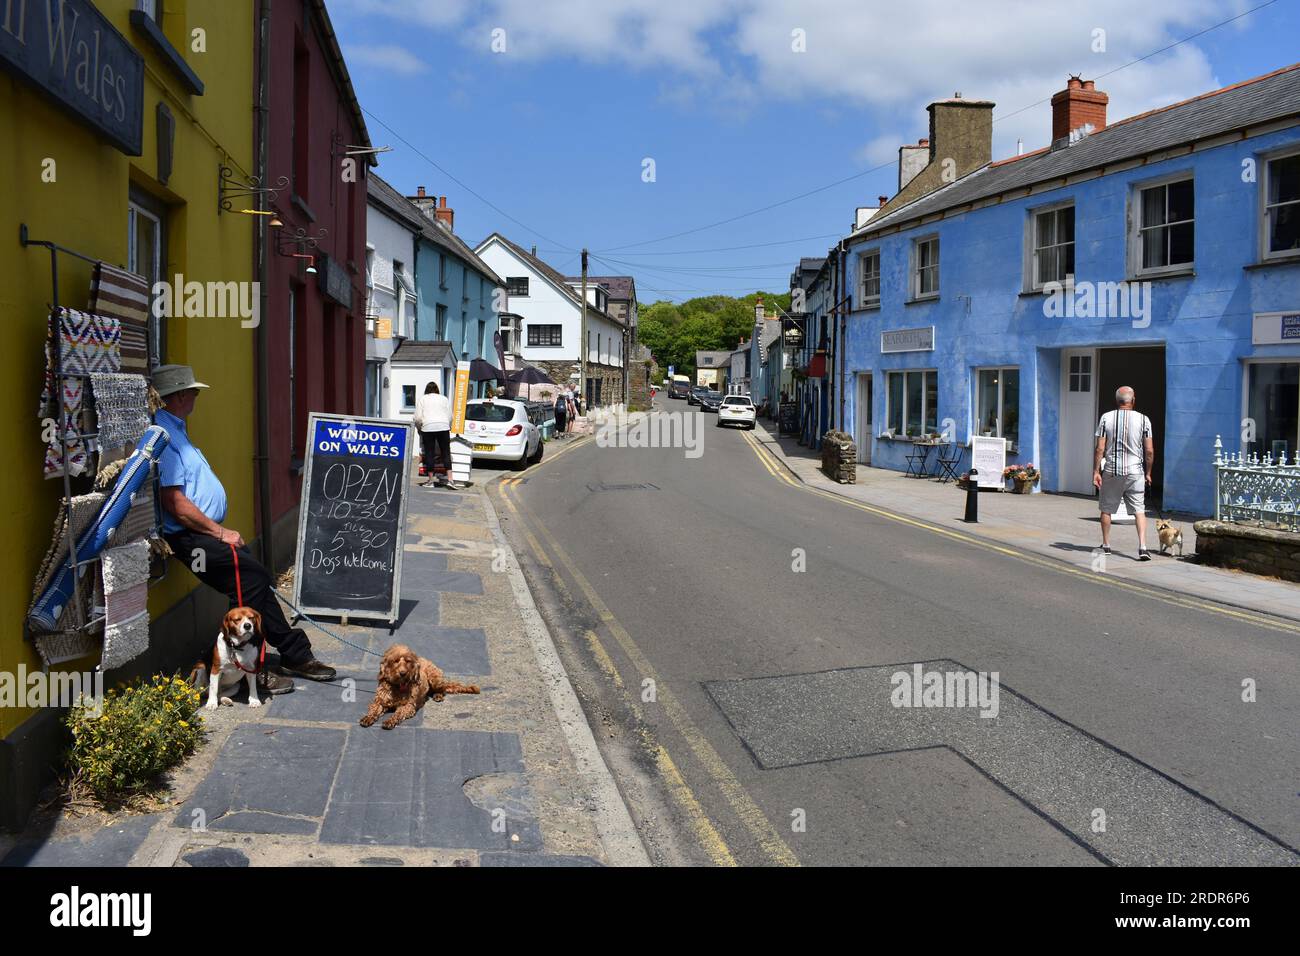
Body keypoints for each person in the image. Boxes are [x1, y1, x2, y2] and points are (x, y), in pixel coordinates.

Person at [152, 365, 336, 690]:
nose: (196, 396)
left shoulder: (175, 429)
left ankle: (289, 653)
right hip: (189, 538)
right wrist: (220, 533)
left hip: (200, 533)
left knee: (253, 584)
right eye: (193, 390)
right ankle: (250, 669)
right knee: (252, 581)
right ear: (180, 394)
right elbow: (175, 503)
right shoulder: (163, 435)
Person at [1093, 385, 1155, 559]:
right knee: (1139, 510)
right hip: (1135, 471)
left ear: (1117, 401)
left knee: (1106, 509)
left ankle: (1106, 545)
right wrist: (1148, 472)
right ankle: (1143, 547)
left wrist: (1096, 471)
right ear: (1133, 400)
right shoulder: (1144, 420)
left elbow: (1100, 448)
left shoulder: (1106, 418)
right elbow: (1149, 451)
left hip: (1112, 470)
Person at [413, 381, 456, 489]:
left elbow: (418, 417)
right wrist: (448, 426)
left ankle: (431, 481)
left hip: (428, 427)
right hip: (443, 426)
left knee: (429, 453)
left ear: (426, 390)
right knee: (446, 452)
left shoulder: (423, 399)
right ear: (437, 390)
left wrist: (419, 428)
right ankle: (450, 480)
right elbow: (450, 416)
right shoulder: (444, 399)